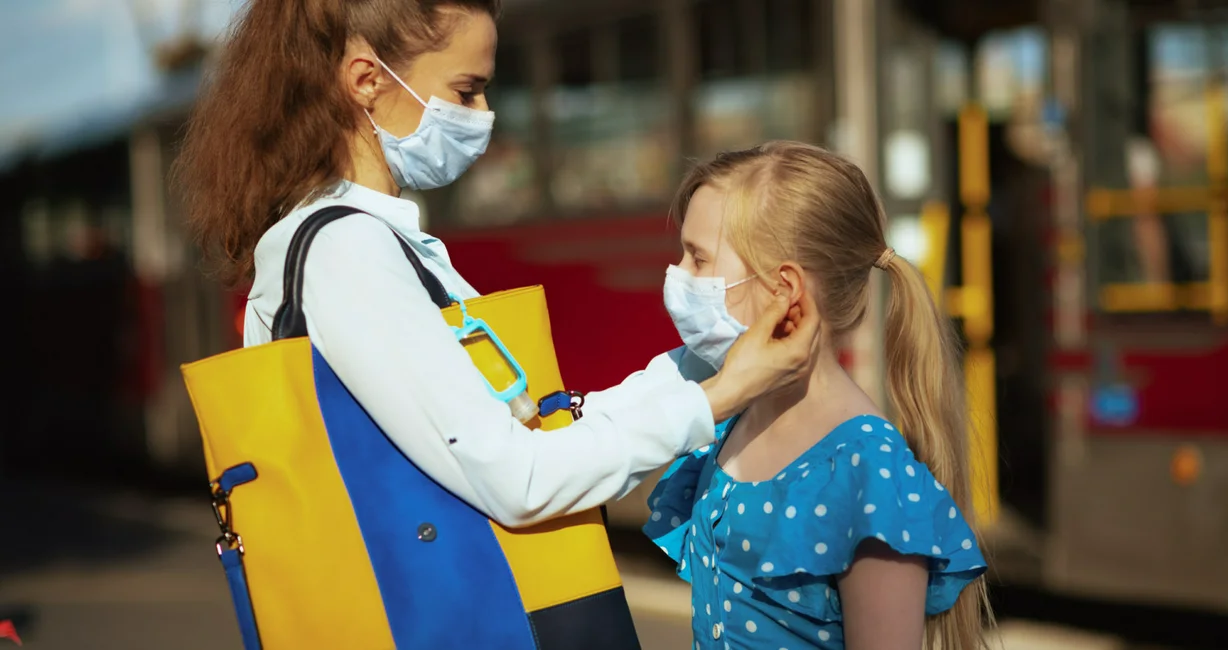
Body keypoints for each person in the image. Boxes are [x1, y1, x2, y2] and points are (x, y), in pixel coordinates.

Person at [172, 0, 819, 530]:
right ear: (366, 80)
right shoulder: (346, 253)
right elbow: (520, 479)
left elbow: (530, 423)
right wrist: (723, 393)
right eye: (466, 90)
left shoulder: (369, 240)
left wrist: (705, 370)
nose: (483, 116)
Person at [644, 142, 991, 650]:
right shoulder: (728, 421)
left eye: (698, 258)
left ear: (785, 289)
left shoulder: (869, 473)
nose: (678, 275)